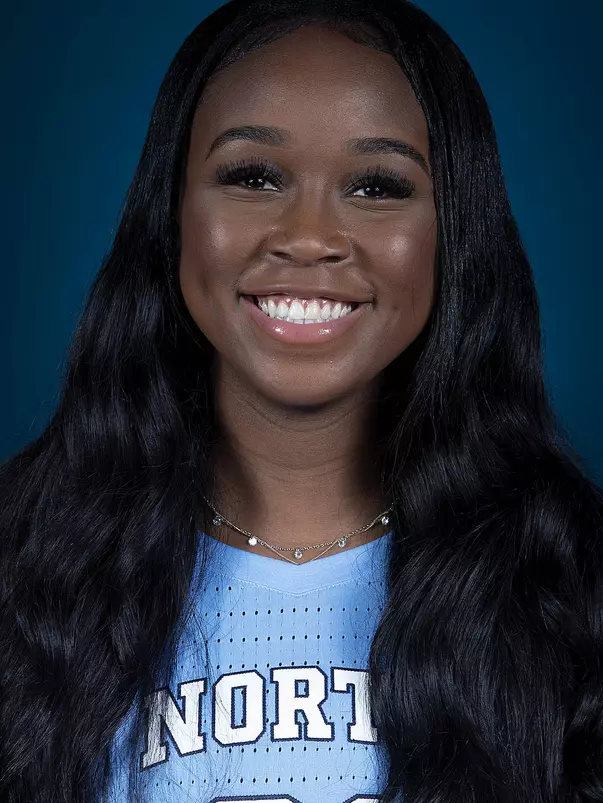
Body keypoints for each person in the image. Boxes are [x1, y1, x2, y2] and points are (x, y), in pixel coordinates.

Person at [1, 0, 602, 801]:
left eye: (376, 185)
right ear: (172, 214)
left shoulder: (576, 582)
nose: (309, 234)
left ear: (454, 233)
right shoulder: (19, 563)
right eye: (252, 176)